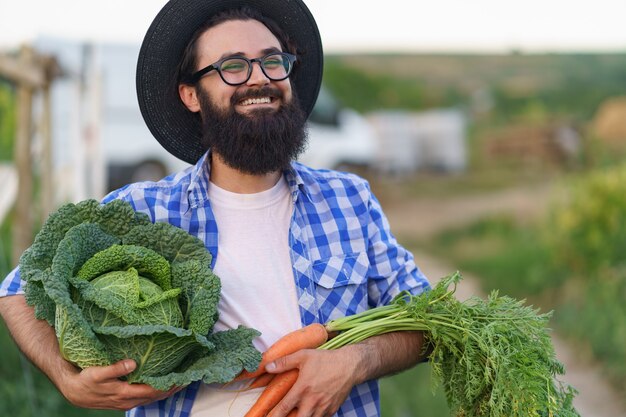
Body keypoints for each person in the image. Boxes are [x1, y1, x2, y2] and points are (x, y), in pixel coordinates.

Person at [0, 1, 430, 416]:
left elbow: (426, 320)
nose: (258, 80)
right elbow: (14, 292)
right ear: (191, 94)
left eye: (272, 61)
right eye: (233, 66)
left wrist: (354, 361)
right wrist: (65, 377)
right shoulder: (139, 211)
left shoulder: (350, 199)